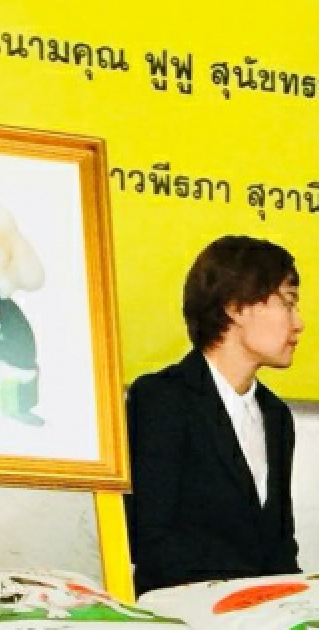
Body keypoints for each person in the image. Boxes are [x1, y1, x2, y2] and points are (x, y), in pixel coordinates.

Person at [125, 235, 302, 590]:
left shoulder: (276, 416)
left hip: (262, 619)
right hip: (181, 617)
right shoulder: (161, 399)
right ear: (234, 307)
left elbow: (281, 547)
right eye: (288, 302)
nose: (298, 323)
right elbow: (149, 538)